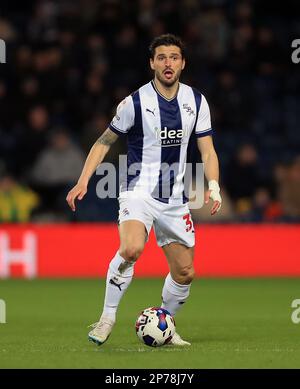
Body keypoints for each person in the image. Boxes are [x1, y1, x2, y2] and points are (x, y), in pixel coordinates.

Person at [66, 34, 222, 346]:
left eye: (174, 57)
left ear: (182, 64)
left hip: (175, 198)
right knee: (132, 248)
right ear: (152, 63)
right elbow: (104, 141)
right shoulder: (134, 102)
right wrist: (83, 179)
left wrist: (213, 186)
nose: (168, 63)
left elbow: (207, 149)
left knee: (185, 272)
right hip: (138, 190)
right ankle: (107, 316)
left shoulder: (196, 102)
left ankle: (164, 322)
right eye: (162, 57)